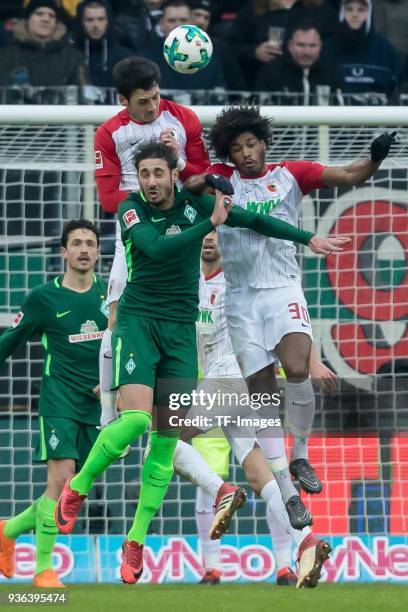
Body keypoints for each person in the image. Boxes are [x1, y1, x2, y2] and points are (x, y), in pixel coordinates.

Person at [55, 141, 348, 584]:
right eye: (145, 174)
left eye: (159, 173)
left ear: (175, 175)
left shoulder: (207, 230)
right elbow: (154, 248)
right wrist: (210, 222)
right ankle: (79, 488)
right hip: (149, 330)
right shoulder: (132, 210)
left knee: (166, 438)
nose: (151, 182)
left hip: (200, 350)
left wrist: (309, 237)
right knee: (149, 428)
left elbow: (254, 220)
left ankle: (168, 525)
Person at [184, 106, 396, 518]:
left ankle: (300, 454)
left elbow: (350, 175)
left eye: (251, 144)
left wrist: (375, 158)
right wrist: (209, 179)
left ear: (263, 143)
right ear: (228, 153)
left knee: (298, 366)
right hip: (240, 297)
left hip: (282, 288)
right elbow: (189, 183)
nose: (246, 153)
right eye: (236, 148)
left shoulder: (290, 175)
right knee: (262, 392)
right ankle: (289, 493)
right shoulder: (222, 180)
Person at [94, 55, 210, 433]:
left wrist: (177, 160)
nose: (152, 106)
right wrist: (150, 188)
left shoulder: (184, 119)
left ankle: (173, 400)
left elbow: (204, 179)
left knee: (186, 311)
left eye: (156, 97)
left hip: (182, 228)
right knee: (116, 313)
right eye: (143, 101)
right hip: (136, 231)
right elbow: (109, 198)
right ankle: (109, 413)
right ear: (123, 100)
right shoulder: (108, 134)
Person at [0, 220, 107, 589]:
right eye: (76, 243)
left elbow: (127, 343)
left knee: (72, 490)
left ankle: (8, 529)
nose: (83, 249)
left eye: (89, 243)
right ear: (63, 251)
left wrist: (113, 384)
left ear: (97, 251)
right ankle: (43, 568)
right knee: (60, 481)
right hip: (58, 399)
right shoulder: (43, 298)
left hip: (99, 407)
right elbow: (10, 341)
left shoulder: (111, 296)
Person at [227, 0, 337, 88]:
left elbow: (333, 46)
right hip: (265, 83)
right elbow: (229, 48)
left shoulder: (321, 7)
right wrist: (254, 51)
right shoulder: (255, 7)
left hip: (311, 84)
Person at [141, 0, 227, 92]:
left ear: (191, 23)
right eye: (171, 20)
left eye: (183, 20)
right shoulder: (146, 59)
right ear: (161, 24)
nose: (178, 25)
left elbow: (219, 94)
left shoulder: (208, 57)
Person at [323, 0, 397, 104]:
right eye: (349, 9)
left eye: (361, 10)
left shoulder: (385, 49)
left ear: (369, 14)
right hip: (336, 117)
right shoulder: (327, 47)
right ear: (341, 13)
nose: (354, 15)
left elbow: (392, 90)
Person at [0, 0, 87, 87]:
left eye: (52, 16)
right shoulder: (6, 55)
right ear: (27, 20)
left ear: (56, 24)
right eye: (39, 14)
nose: (46, 19)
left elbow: (84, 93)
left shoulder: (73, 57)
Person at [255, 22, 343, 104]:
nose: (307, 52)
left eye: (312, 45)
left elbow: (343, 109)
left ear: (320, 46)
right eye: (301, 45)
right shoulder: (271, 72)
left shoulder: (332, 72)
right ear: (290, 46)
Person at [189, 0, 247, 92]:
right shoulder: (173, 43)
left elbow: (235, 83)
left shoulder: (220, 48)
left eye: (206, 18)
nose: (201, 21)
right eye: (197, 15)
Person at [73, 0, 132, 87]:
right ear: (82, 22)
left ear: (108, 21)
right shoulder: (71, 55)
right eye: (89, 20)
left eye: (101, 19)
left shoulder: (124, 57)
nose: (95, 25)